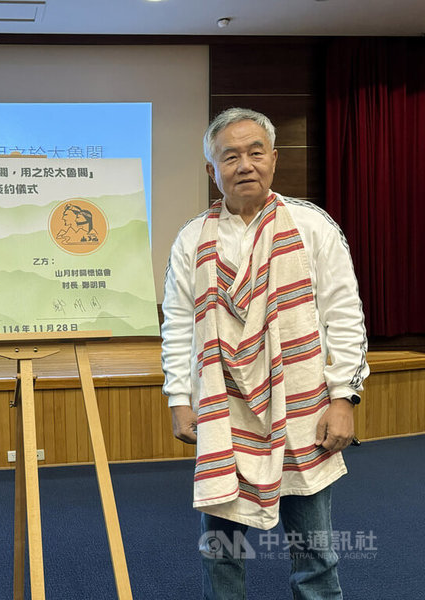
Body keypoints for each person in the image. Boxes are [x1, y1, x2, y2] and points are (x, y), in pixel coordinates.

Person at [161, 108, 369, 599]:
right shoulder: (192, 238)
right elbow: (175, 324)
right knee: (223, 551)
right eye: (229, 156)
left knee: (314, 552)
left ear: (274, 159)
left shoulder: (312, 225)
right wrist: (178, 397)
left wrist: (343, 398)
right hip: (224, 411)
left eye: (256, 152)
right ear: (212, 170)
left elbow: (343, 313)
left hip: (304, 410)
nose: (245, 164)